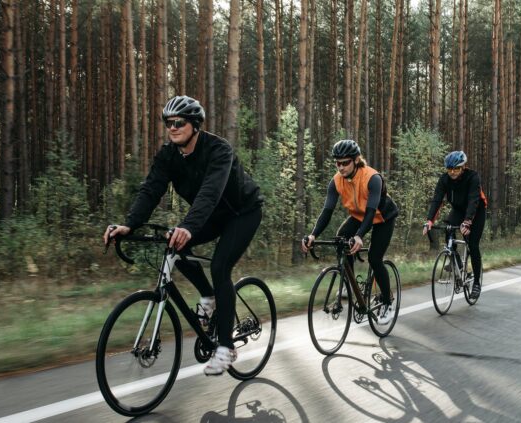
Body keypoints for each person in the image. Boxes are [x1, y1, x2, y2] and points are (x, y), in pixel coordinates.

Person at [103, 95, 264, 376]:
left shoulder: (218, 150)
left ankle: (225, 347)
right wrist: (130, 225)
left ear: (195, 125)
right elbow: (151, 189)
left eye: (179, 122)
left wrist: (188, 226)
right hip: (212, 216)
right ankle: (208, 296)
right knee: (173, 246)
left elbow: (210, 192)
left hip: (243, 213)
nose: (172, 127)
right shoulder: (168, 156)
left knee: (219, 266)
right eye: (168, 123)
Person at [301, 140, 399, 325]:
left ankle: (387, 302)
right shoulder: (337, 180)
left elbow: (371, 211)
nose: (341, 167)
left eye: (345, 162)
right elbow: (327, 211)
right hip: (360, 215)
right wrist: (313, 234)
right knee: (341, 238)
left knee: (374, 258)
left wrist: (359, 236)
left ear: (356, 160)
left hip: (382, 216)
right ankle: (349, 284)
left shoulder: (372, 177)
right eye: (337, 163)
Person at [422, 151, 487, 299]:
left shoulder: (473, 177)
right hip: (458, 209)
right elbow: (437, 200)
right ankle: (456, 261)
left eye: (456, 169)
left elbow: (473, 200)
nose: (452, 172)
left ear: (463, 167)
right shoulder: (444, 179)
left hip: (476, 211)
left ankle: (476, 283)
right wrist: (429, 221)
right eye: (449, 169)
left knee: (473, 245)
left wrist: (467, 221)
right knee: (449, 228)